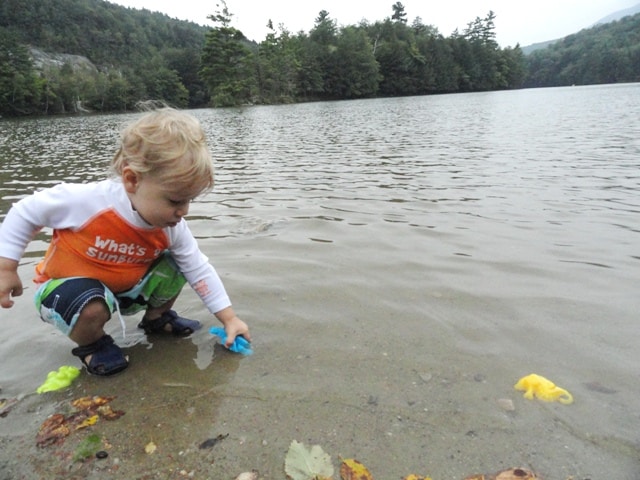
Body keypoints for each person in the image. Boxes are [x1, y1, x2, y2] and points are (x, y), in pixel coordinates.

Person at [0, 107, 251, 376]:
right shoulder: (85, 201)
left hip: (124, 294)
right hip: (65, 296)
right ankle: (93, 346)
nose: (185, 211)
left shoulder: (171, 226)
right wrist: (7, 267)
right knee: (88, 302)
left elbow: (199, 269)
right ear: (132, 180)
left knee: (180, 262)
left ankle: (156, 319)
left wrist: (229, 318)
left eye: (190, 200)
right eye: (176, 201)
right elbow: (25, 211)